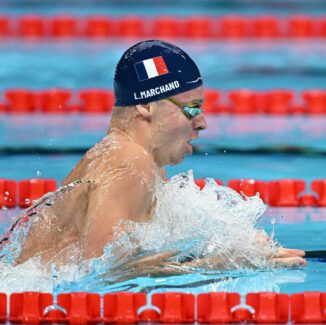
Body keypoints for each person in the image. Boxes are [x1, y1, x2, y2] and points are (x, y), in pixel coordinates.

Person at [3, 40, 306, 269]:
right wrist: (223, 262)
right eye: (192, 108)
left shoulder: (132, 159)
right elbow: (99, 274)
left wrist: (221, 251)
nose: (202, 122)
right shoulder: (128, 161)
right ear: (146, 107)